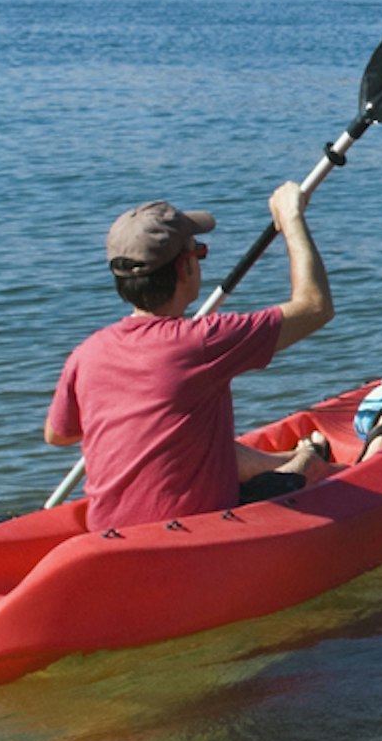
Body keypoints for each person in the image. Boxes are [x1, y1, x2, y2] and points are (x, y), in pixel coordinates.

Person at [44, 187, 335, 531]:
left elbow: (58, 435)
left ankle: (281, 460)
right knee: (308, 466)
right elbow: (315, 307)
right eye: (200, 253)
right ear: (185, 268)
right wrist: (291, 218)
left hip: (109, 532)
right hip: (194, 532)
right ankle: (307, 460)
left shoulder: (86, 354)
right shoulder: (203, 341)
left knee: (192, 439)